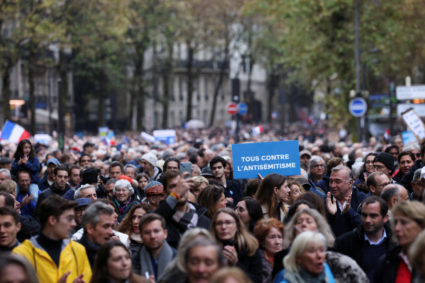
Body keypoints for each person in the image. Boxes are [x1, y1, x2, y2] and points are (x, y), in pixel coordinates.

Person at [13, 194, 92, 283]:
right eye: (69, 219)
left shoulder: (78, 250)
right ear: (52, 220)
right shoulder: (21, 254)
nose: (74, 223)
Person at [334, 196, 396, 281]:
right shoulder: (345, 243)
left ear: (385, 218)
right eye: (364, 215)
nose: (367, 220)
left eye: (373, 216)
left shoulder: (396, 245)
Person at [155, 170, 210, 249]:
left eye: (182, 185)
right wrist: (175, 195)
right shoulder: (161, 219)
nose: (180, 189)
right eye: (173, 186)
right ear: (165, 194)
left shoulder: (204, 218)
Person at [374, 201, 425, 283]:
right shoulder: (387, 261)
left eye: (404, 223)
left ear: (421, 226)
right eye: (395, 222)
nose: (397, 228)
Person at [210, 207, 262, 282]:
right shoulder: (208, 249)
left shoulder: (250, 247)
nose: (223, 227)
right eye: (219, 223)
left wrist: (237, 264)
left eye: (228, 223)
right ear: (214, 227)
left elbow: (257, 280)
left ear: (237, 226)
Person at [326, 165, 367, 237]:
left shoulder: (363, 199)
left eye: (337, 181)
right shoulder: (326, 201)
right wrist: (331, 215)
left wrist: (349, 212)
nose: (332, 185)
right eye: (331, 181)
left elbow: (366, 226)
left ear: (350, 183)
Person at [135, 213, 176, 281]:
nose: (152, 236)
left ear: (165, 233)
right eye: (147, 232)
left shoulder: (178, 259)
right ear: (141, 236)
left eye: (156, 231)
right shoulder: (135, 262)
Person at [77, 201, 116, 267]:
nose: (111, 232)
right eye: (106, 226)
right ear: (90, 229)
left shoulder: (113, 252)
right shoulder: (74, 255)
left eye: (112, 226)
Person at [253, 218, 284, 282]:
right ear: (262, 241)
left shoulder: (287, 257)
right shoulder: (257, 260)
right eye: (272, 237)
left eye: (280, 237)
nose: (277, 242)